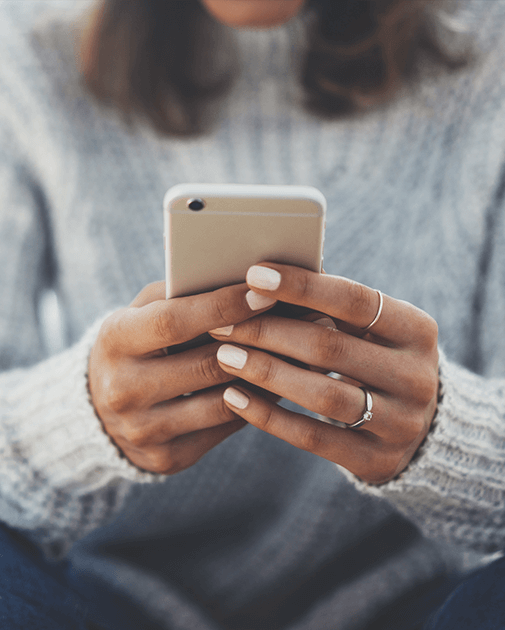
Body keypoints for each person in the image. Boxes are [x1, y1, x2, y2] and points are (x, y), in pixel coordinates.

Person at [1, 0, 505, 628]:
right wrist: (84, 418)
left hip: (409, 604)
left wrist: (444, 432)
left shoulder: (491, 48)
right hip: (103, 598)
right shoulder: (28, 51)